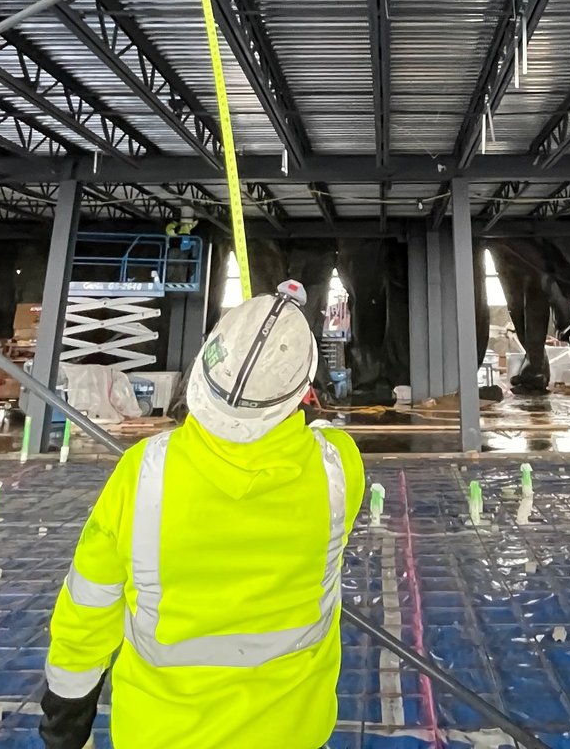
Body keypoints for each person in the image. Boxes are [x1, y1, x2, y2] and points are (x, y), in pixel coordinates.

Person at [40, 282, 365, 749]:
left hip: (158, 733)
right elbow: (319, 435)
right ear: (302, 391)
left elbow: (88, 609)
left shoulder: (143, 473)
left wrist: (66, 718)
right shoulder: (337, 470)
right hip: (291, 733)